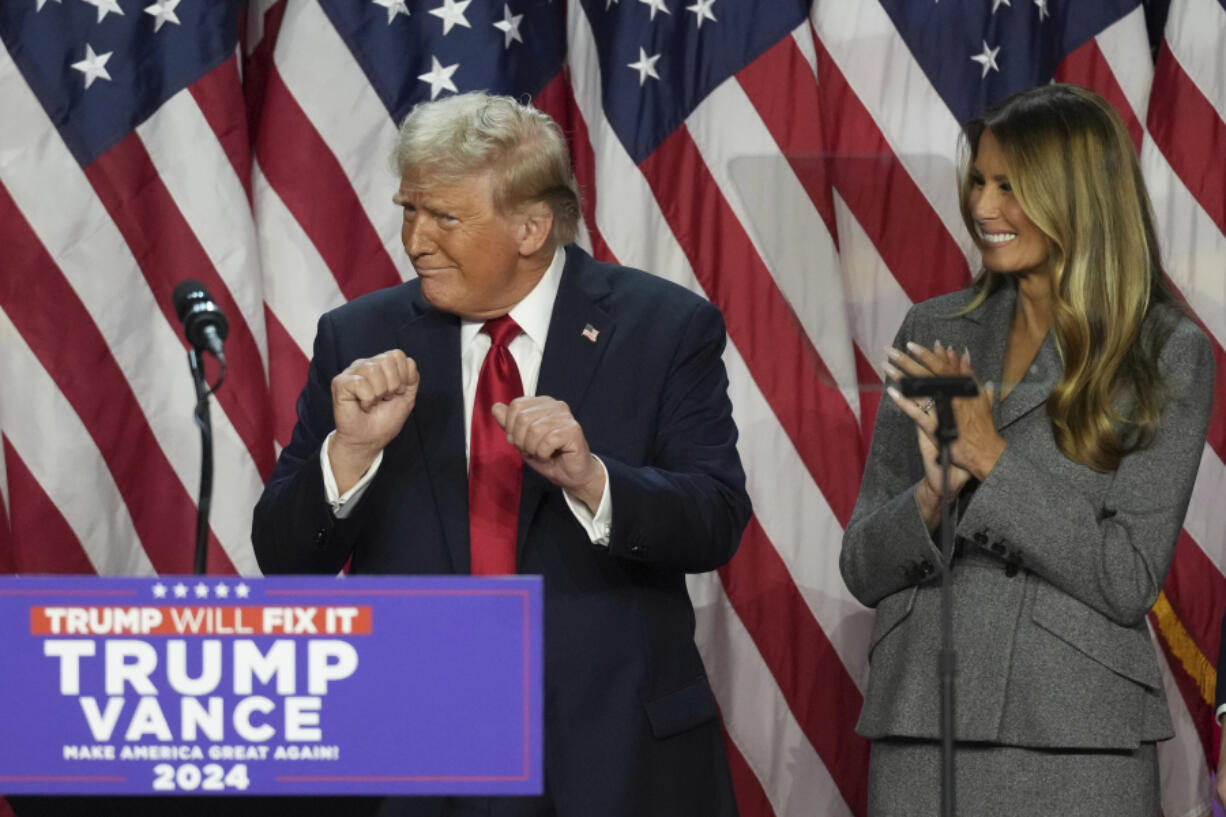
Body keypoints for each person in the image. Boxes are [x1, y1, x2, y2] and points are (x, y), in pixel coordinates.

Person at [251, 91, 750, 817]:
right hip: (419, 762)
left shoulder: (664, 328)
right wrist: (350, 453)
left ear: (531, 226)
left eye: (445, 216)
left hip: (610, 758)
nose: (415, 239)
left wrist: (593, 480)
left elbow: (716, 518)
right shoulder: (358, 337)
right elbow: (285, 555)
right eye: (409, 210)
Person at [841, 82, 1215, 816]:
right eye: (979, 181)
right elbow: (861, 561)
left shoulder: (1168, 351)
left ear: (1077, 193)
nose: (983, 208)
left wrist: (990, 458)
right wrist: (931, 491)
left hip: (1076, 736)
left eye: (1010, 186)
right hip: (925, 726)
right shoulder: (934, 326)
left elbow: (1126, 574)